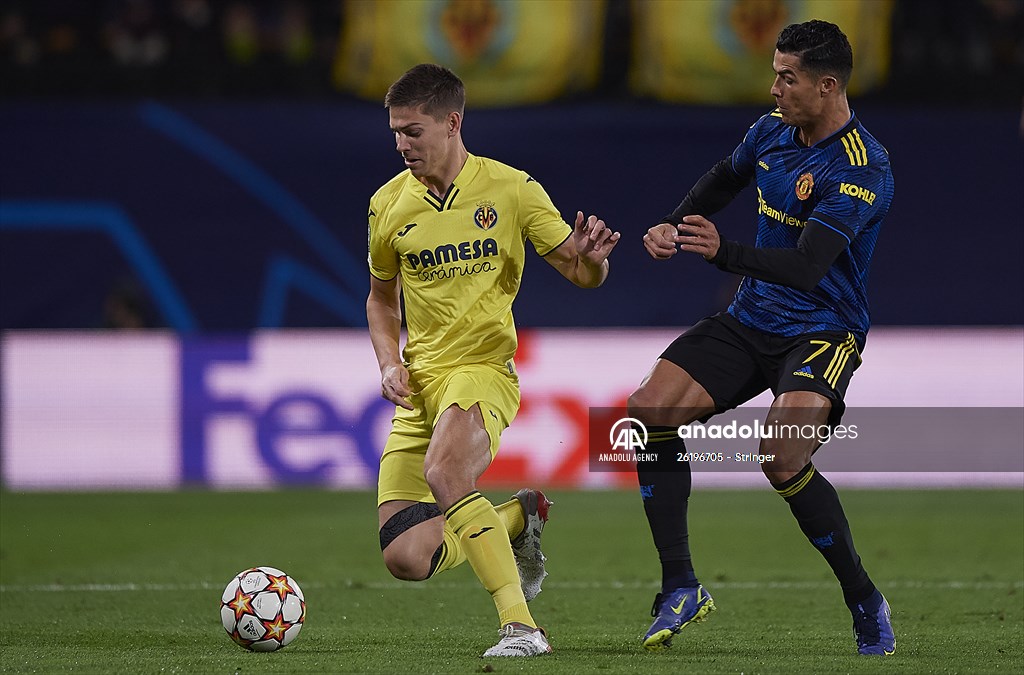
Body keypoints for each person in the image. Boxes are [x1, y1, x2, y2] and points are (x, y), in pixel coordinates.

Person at [630, 20, 896, 656]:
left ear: (827, 86)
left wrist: (723, 253)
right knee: (648, 412)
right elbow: (724, 177)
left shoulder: (861, 168)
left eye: (788, 78)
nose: (774, 88)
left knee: (780, 458)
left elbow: (807, 267)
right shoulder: (772, 129)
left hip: (822, 330)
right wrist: (673, 224)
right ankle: (680, 586)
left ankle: (863, 597)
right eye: (775, 73)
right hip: (752, 317)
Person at [365, 63, 620, 658]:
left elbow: (582, 273)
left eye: (414, 131)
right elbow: (380, 297)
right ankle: (515, 519)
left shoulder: (512, 189)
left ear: (452, 123)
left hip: (482, 372)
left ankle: (521, 626)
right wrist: (386, 362)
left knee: (445, 474)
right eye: (396, 132)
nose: (402, 145)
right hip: (420, 388)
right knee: (406, 556)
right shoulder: (387, 206)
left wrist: (593, 260)